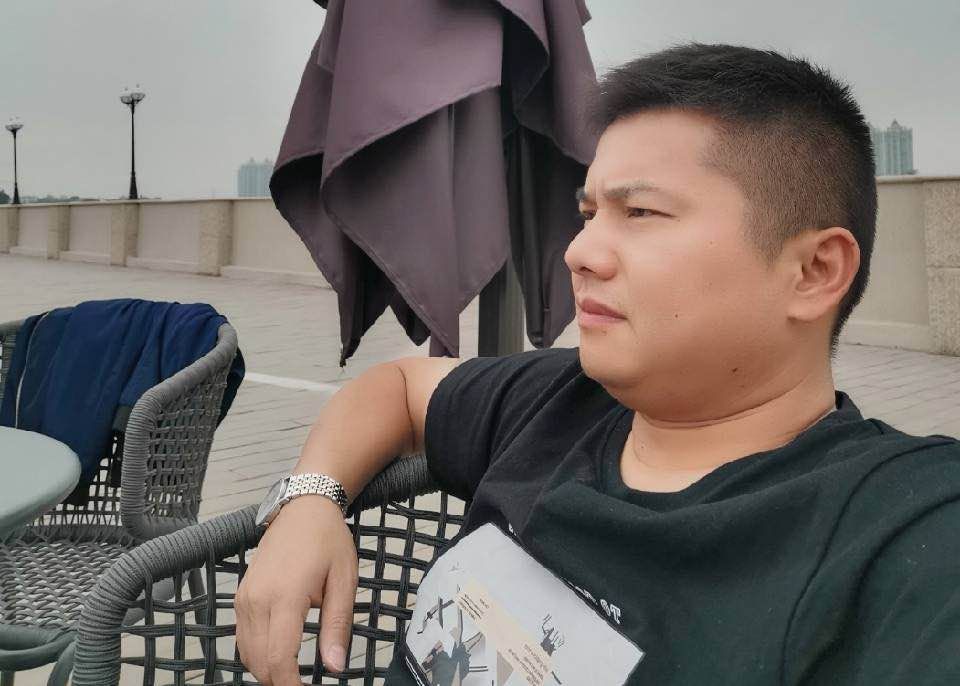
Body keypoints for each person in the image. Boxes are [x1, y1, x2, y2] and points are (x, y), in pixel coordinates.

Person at [235, 42, 960, 685]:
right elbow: (396, 385)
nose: (579, 253)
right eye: (588, 215)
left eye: (639, 213)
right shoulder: (562, 400)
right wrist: (311, 498)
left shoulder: (898, 530)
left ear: (813, 271)